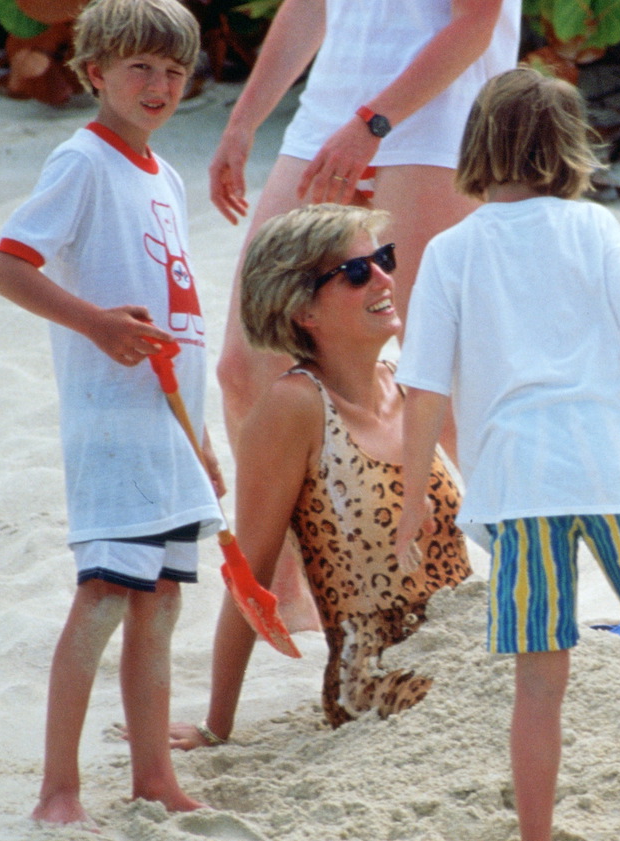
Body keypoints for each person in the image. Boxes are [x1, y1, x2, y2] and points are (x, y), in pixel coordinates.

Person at [394, 67, 620, 841]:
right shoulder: (592, 227)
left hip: (515, 481)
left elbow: (424, 392)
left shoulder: (449, 251)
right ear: (571, 149)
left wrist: (412, 500)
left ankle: (536, 832)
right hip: (610, 468)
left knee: (540, 673)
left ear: (477, 148)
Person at [206, 0, 521, 629]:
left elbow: (475, 22)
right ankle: (287, 596)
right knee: (246, 369)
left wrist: (372, 124)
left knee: (443, 382)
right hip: (329, 116)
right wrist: (244, 122)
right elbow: (308, 8)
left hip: (437, 121)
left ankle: (529, 571)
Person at [0, 0, 222, 825]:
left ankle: (152, 775)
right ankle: (60, 785)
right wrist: (93, 322)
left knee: (161, 598)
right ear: (94, 74)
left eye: (174, 71)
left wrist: (201, 438)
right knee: (105, 593)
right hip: (113, 421)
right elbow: (8, 267)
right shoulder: (81, 161)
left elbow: (177, 305)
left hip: (169, 424)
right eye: (140, 69)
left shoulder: (166, 173)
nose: (159, 86)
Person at [168, 203, 472, 749]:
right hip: (377, 674)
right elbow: (251, 580)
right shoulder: (294, 407)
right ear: (303, 310)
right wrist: (218, 724)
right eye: (357, 272)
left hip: (465, 638)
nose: (383, 277)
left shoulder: (408, 383)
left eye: (383, 259)